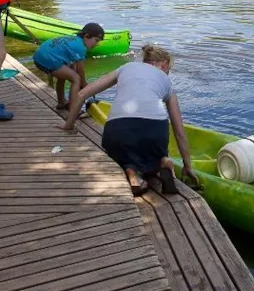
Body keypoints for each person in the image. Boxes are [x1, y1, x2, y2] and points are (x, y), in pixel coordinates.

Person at [60, 44, 200, 196]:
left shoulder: (125, 68)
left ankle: (131, 172)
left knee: (120, 154)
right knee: (154, 152)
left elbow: (82, 95)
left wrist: (68, 126)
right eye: (169, 70)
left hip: (118, 130)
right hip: (153, 131)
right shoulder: (167, 83)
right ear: (164, 64)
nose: (168, 73)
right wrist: (187, 166)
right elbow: (179, 131)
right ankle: (162, 162)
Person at [33, 23, 104, 111]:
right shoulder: (80, 47)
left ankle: (61, 103)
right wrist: (84, 84)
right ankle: (73, 109)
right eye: (96, 40)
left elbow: (73, 65)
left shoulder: (74, 40)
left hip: (39, 57)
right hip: (47, 60)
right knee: (76, 79)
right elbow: (80, 70)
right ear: (86, 36)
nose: (97, 44)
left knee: (64, 76)